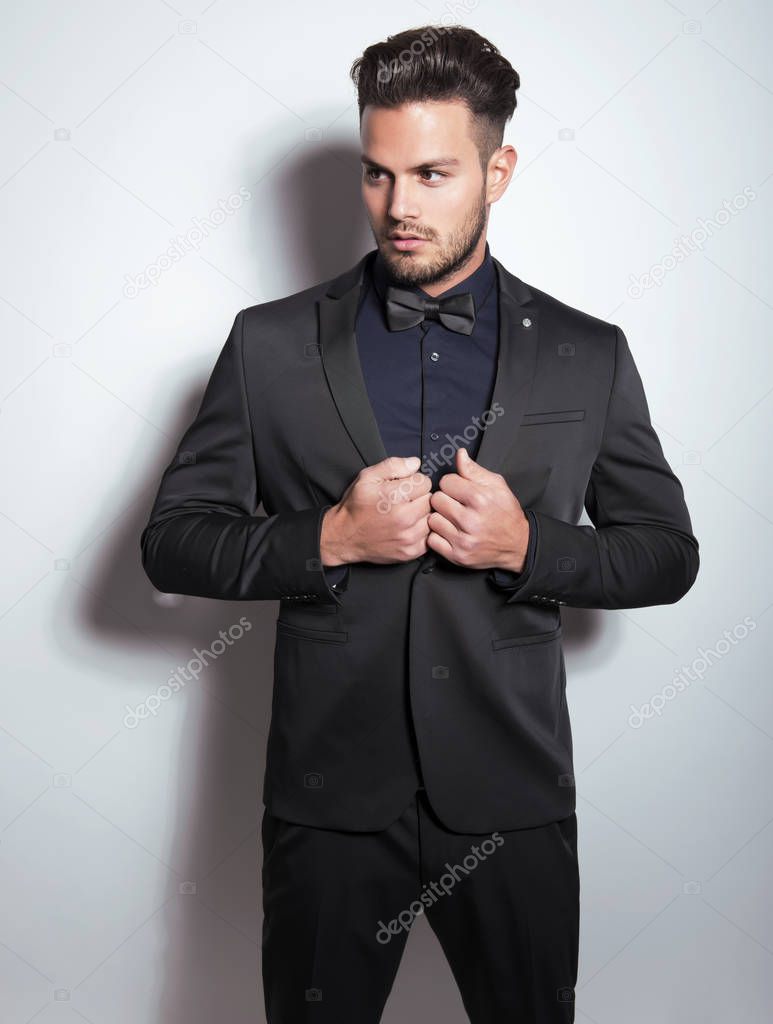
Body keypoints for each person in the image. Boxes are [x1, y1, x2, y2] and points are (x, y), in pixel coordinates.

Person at [140, 24, 699, 1023]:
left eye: (432, 174)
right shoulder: (265, 345)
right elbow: (173, 538)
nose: (397, 209)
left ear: (498, 170)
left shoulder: (587, 353)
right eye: (376, 174)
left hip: (511, 800)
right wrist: (325, 541)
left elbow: (664, 554)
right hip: (326, 804)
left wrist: (530, 548)